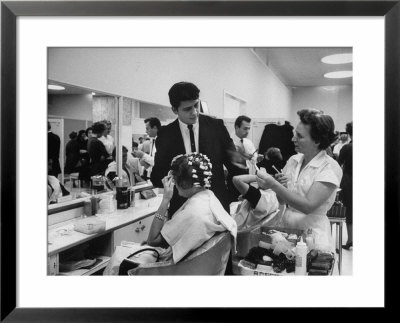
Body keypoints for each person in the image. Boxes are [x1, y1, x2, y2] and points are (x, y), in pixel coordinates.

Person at [103, 153, 237, 275]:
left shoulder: (194, 212)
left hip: (174, 270)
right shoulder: (209, 197)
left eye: (175, 179)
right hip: (199, 267)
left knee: (118, 255)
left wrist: (165, 199)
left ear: (184, 183)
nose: (174, 183)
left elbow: (152, 240)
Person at [255, 109, 343, 252]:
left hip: (313, 235)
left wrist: (275, 185)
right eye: (295, 133)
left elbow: (307, 206)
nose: (293, 139)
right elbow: (282, 201)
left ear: (317, 140)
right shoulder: (293, 160)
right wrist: (281, 187)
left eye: (300, 136)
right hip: (287, 231)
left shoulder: (330, 167)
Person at [151, 81, 236, 216]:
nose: (194, 112)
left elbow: (236, 165)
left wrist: (233, 195)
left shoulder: (216, 127)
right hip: (182, 209)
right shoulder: (165, 135)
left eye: (196, 105)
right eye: (187, 109)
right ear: (174, 110)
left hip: (217, 207)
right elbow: (157, 175)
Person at [227, 115, 258, 202]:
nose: (247, 131)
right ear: (237, 127)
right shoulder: (228, 141)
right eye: (245, 128)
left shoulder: (248, 142)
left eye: (249, 128)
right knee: (233, 202)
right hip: (233, 176)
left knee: (245, 202)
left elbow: (253, 160)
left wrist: (255, 158)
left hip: (246, 175)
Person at [338, 122, 353, 250]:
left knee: (350, 210)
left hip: (350, 180)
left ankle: (350, 239)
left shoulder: (347, 148)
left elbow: (338, 164)